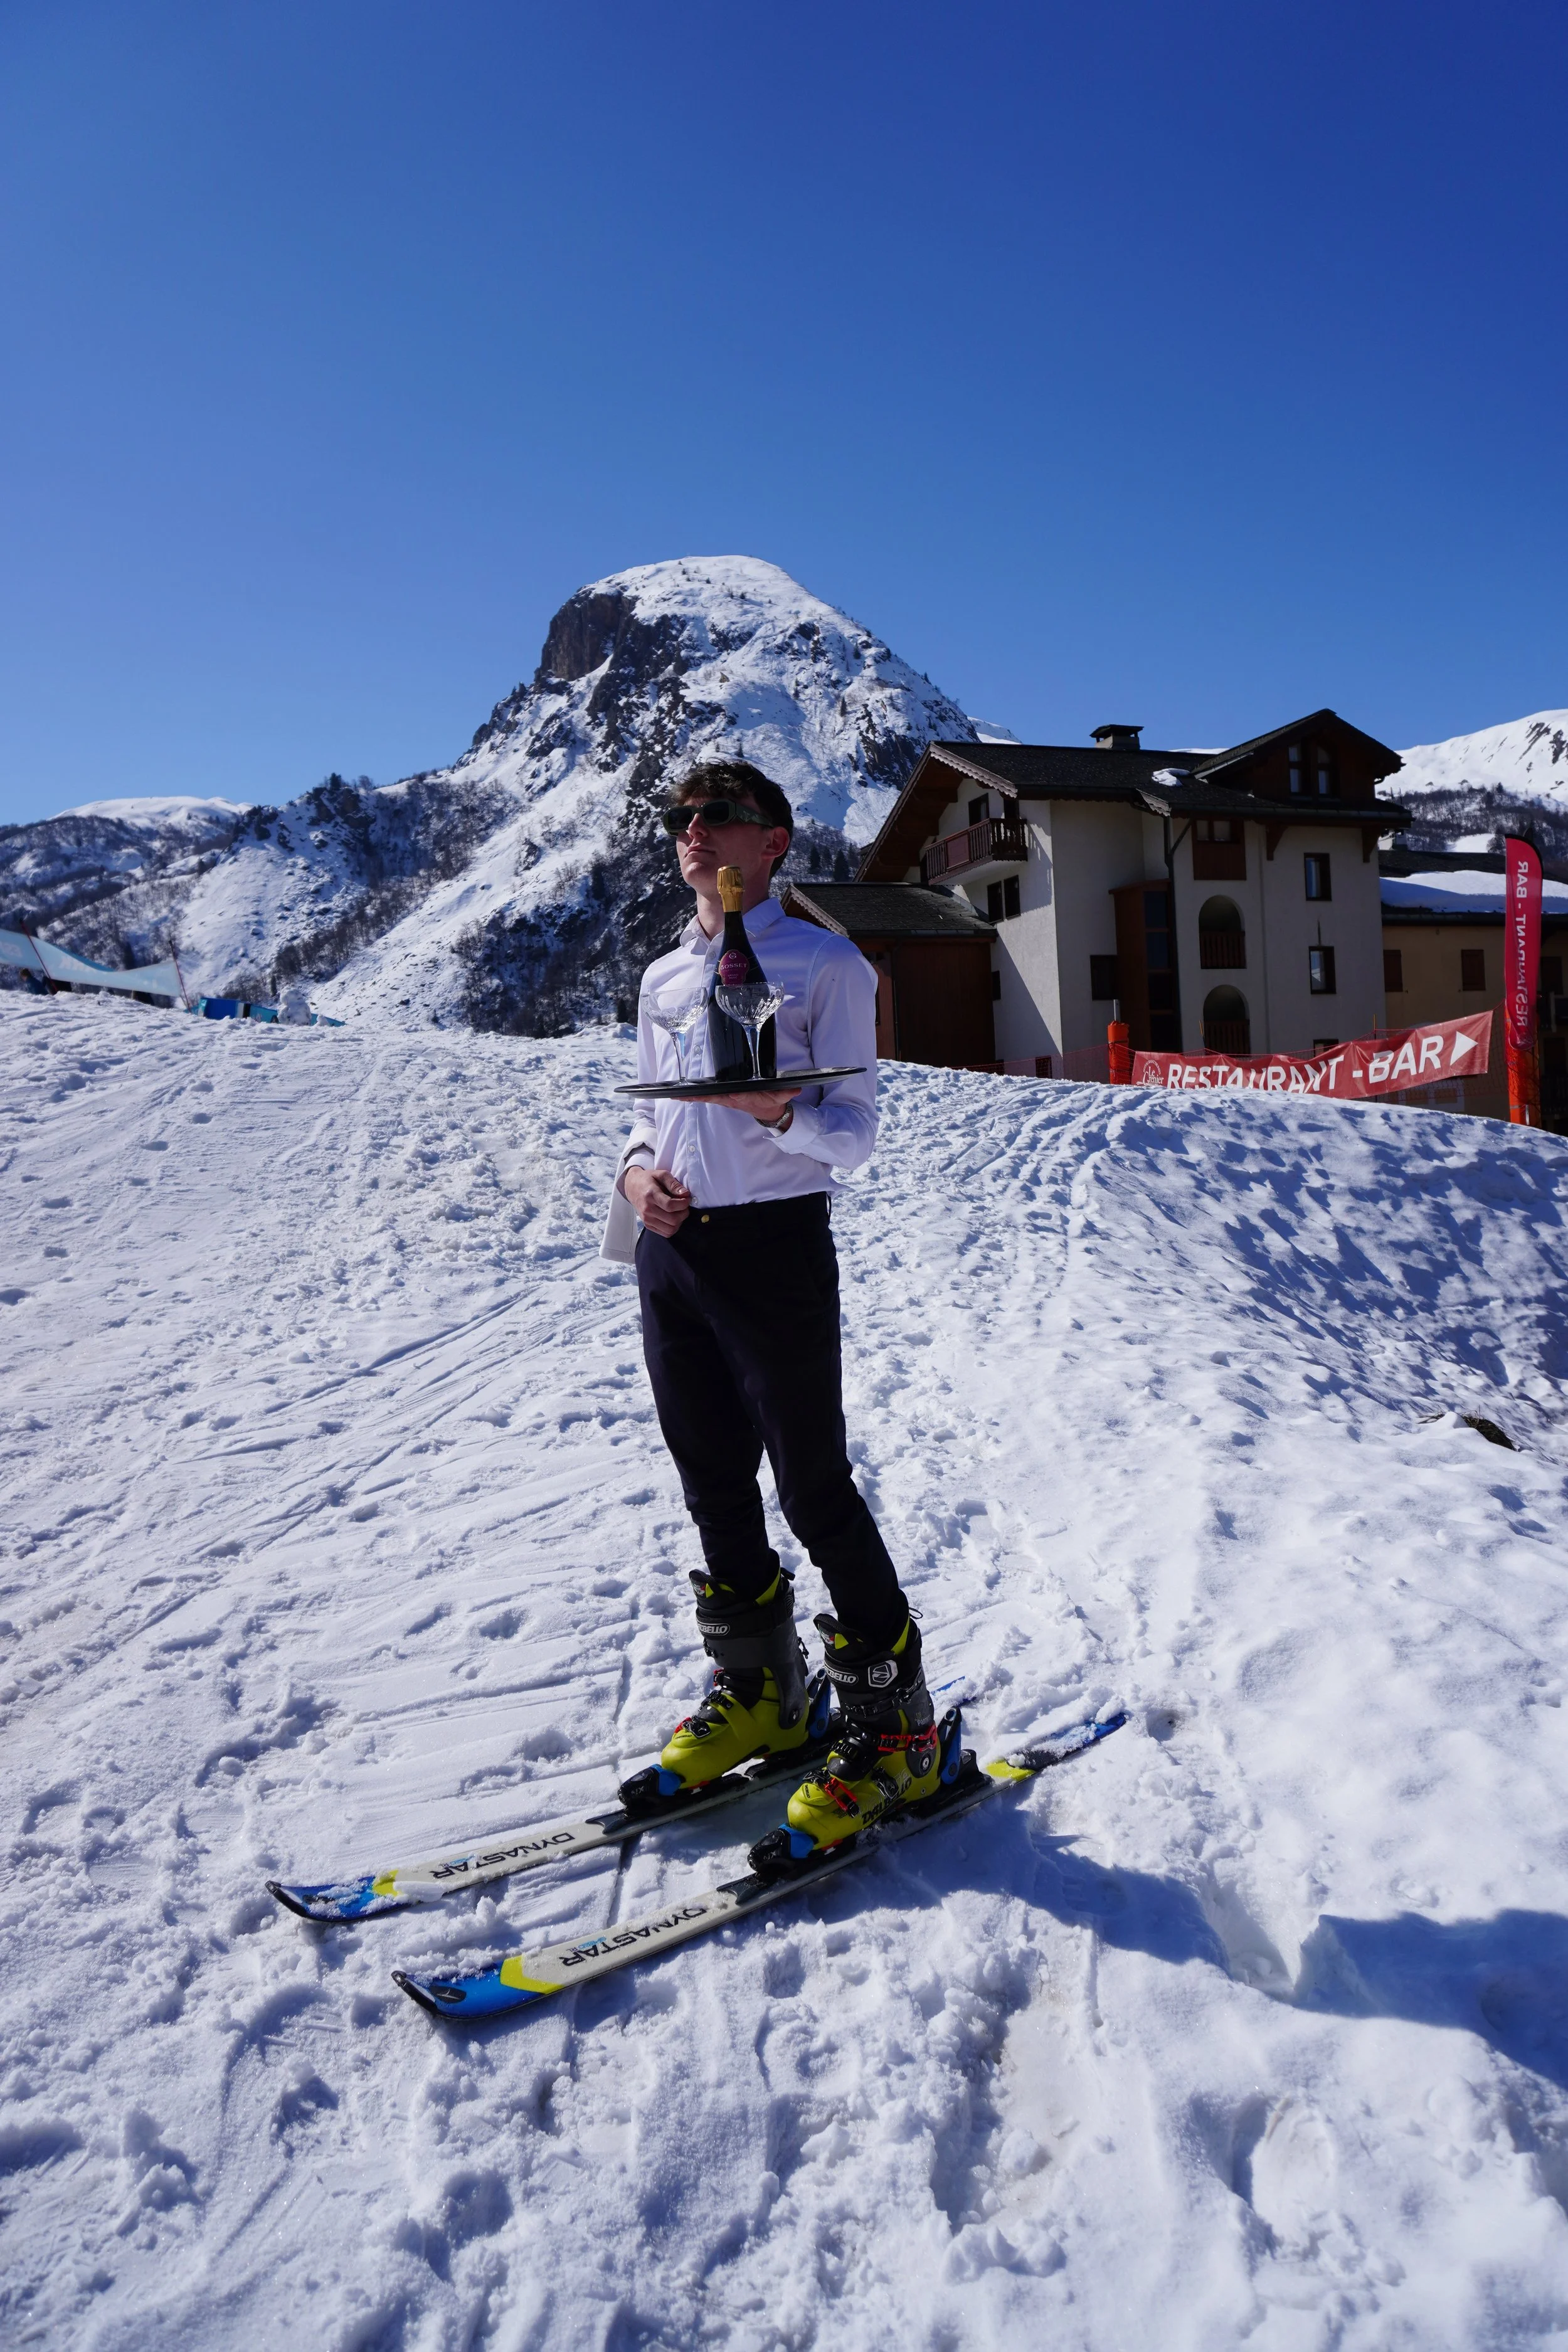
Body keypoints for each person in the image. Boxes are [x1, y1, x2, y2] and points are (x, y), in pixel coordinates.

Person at [601, 757, 938, 1855]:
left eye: (720, 817)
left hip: (776, 1249)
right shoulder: (662, 976)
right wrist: (633, 1176)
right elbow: (655, 1120)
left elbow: (857, 1134)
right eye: (682, 816)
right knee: (710, 1480)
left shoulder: (827, 964)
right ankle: (763, 1697)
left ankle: (898, 1729)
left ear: (775, 842)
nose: (693, 831)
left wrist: (781, 1112)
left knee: (815, 1487)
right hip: (676, 1254)